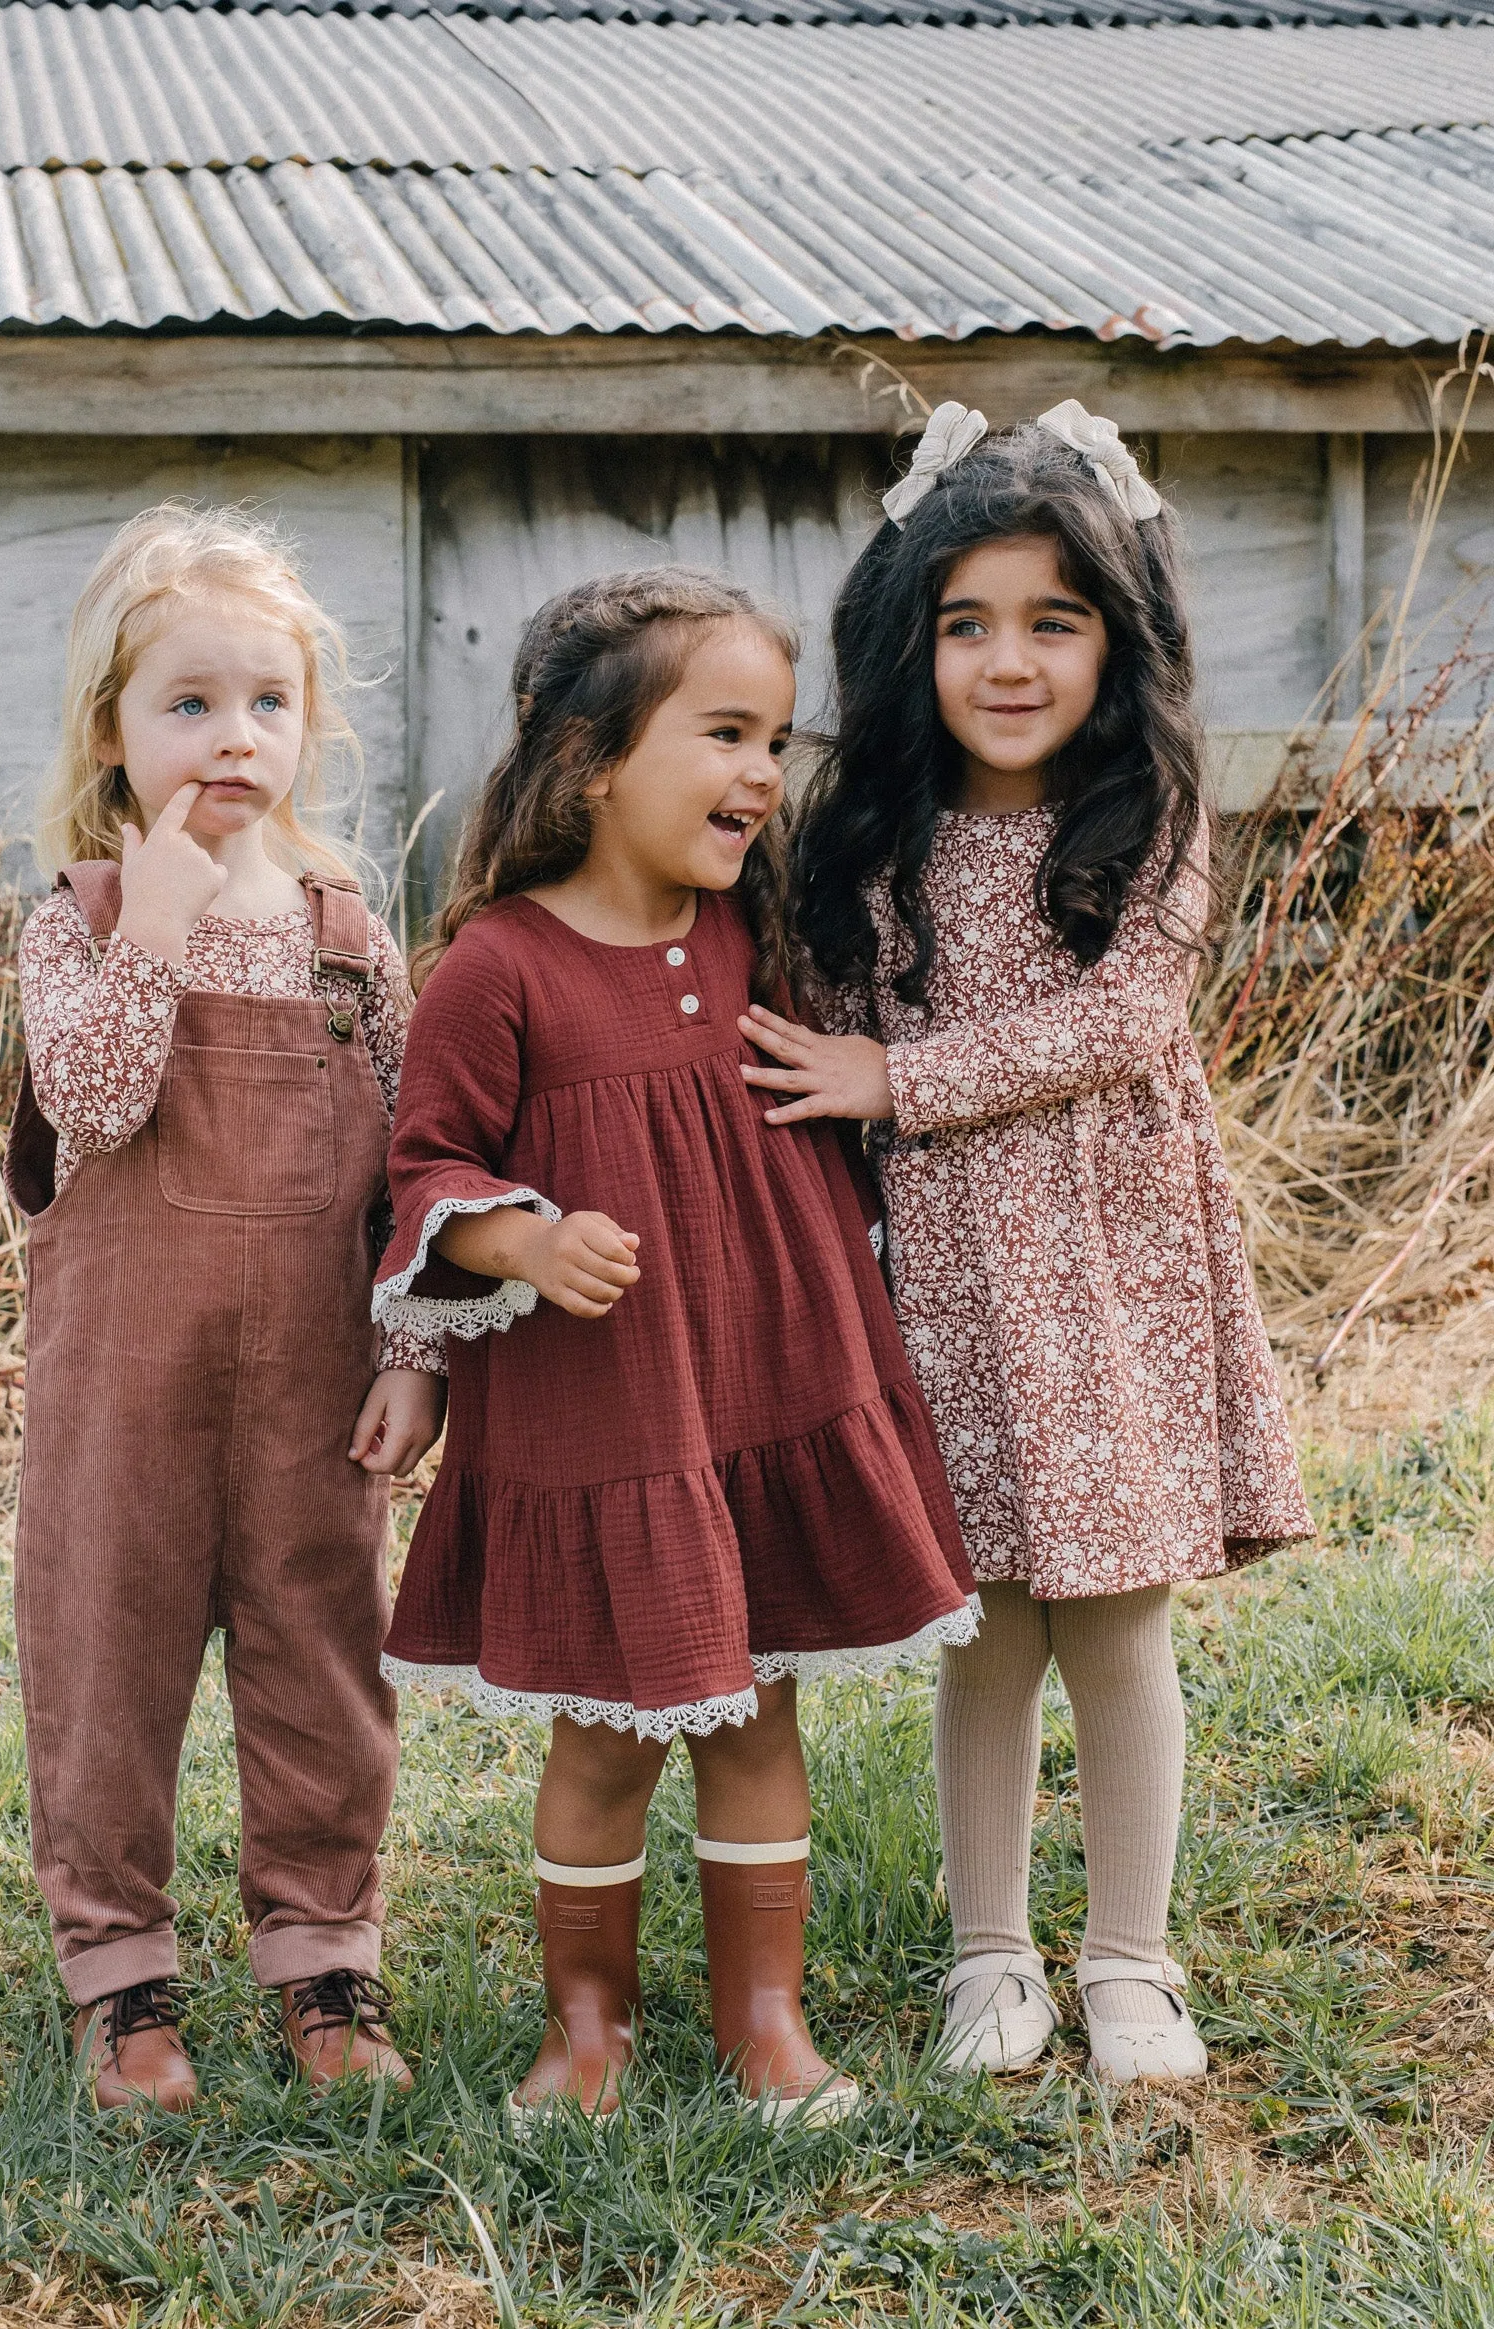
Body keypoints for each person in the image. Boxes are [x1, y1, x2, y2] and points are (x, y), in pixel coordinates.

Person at [742, 403, 1313, 2085]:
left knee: (1116, 1615)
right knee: (983, 1616)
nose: (1007, 661)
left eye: (1052, 622)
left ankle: (1130, 1959)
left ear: (1114, 642)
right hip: (940, 1279)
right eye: (965, 622)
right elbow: (810, 1044)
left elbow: (1126, 1023)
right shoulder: (862, 842)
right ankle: (989, 1955)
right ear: (907, 638)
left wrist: (896, 1076)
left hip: (1110, 1268)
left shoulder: (1150, 817)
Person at [373, 566, 977, 2127]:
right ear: (591, 762)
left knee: (763, 1703)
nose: (761, 776)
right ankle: (589, 2030)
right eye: (723, 735)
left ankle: (763, 2025)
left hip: (763, 1386)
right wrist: (523, 1237)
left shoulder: (744, 934)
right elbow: (426, 1165)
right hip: (611, 1420)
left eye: (775, 740)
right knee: (605, 1730)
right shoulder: (498, 966)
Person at [5, 503, 446, 2112]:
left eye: (265, 703)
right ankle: (120, 1974)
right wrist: (166, 919)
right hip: (127, 1387)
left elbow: (416, 1177)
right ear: (113, 736)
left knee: (325, 1659)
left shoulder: (349, 948)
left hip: (312, 1387)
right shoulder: (82, 923)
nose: (229, 737)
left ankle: (323, 1954)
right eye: (185, 705)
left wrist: (415, 1354)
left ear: (308, 727)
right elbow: (101, 1104)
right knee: (106, 1663)